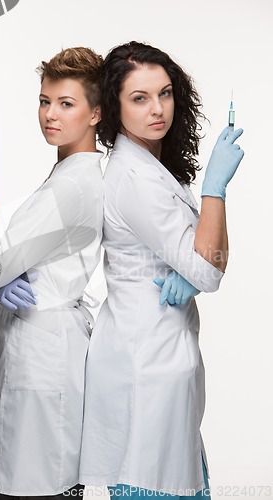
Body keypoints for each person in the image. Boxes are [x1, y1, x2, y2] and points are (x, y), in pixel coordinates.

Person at [79, 41, 244, 499]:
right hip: (144, 366)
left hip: (160, 359)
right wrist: (215, 189)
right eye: (140, 98)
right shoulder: (133, 178)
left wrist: (195, 269)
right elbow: (211, 268)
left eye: (166, 93)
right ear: (113, 107)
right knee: (152, 485)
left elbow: (211, 258)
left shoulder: (152, 166)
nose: (158, 109)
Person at [0, 46, 104, 498]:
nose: (49, 115)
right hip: (46, 347)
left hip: (44, 357)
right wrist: (5, 275)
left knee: (28, 484)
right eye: (44, 101)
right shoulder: (77, 173)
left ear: (97, 113)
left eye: (66, 103)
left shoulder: (73, 184)